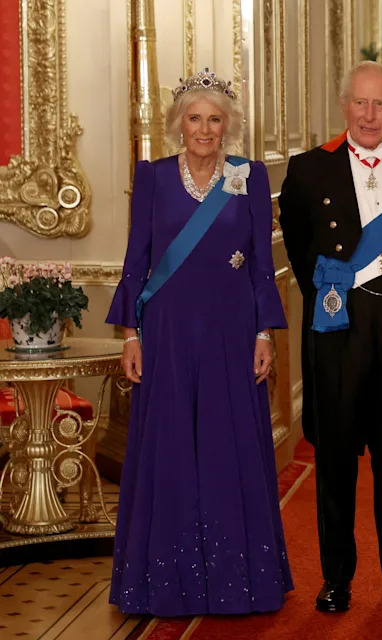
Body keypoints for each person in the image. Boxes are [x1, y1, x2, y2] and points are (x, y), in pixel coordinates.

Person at [107, 69, 292, 616]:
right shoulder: (155, 177)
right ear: (178, 125)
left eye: (215, 120)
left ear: (228, 126)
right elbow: (136, 260)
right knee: (169, 448)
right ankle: (165, 584)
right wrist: (131, 335)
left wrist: (263, 333)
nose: (205, 130)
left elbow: (262, 261)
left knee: (224, 445)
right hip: (165, 331)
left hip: (231, 331)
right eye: (194, 119)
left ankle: (240, 583)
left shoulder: (249, 176)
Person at [278, 61, 382, 613]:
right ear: (344, 105)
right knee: (338, 456)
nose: (370, 115)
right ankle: (337, 578)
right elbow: (301, 250)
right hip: (338, 324)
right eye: (360, 103)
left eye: (381, 105)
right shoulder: (308, 170)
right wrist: (334, 298)